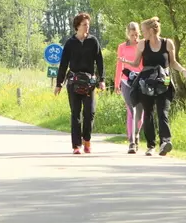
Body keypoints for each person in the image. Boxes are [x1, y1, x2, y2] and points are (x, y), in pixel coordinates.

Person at [119, 17, 186, 156]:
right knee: (148, 113)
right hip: (146, 82)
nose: (142, 33)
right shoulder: (142, 45)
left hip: (163, 81)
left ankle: (165, 142)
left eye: (143, 31)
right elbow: (136, 64)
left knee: (163, 112)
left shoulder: (168, 43)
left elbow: (173, 63)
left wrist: (183, 70)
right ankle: (151, 145)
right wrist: (126, 62)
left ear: (151, 31)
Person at [54, 12, 106, 154]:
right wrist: (59, 83)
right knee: (75, 113)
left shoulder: (93, 41)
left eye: (88, 25)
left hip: (89, 82)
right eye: (84, 25)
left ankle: (87, 140)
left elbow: (100, 62)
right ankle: (76, 145)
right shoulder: (70, 43)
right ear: (77, 26)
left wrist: (102, 80)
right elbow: (63, 64)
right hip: (74, 82)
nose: (87, 27)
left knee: (90, 112)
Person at [114, 22, 144, 154]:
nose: (134, 37)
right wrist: (116, 83)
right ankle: (131, 142)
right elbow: (119, 65)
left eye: (136, 34)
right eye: (132, 35)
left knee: (140, 112)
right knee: (131, 110)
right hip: (126, 81)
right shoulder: (122, 47)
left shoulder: (143, 45)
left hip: (141, 80)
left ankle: (137, 135)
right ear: (128, 34)